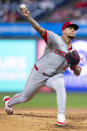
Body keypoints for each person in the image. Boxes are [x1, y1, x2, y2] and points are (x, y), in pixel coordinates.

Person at [3, 7, 82, 126]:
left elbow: (77, 72)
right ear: (63, 31)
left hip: (54, 77)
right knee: (25, 97)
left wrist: (75, 67)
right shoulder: (55, 39)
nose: (73, 30)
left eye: (74, 29)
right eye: (70, 28)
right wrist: (29, 17)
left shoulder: (74, 52)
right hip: (39, 73)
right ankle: (8, 103)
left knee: (60, 84)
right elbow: (40, 29)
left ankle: (61, 115)